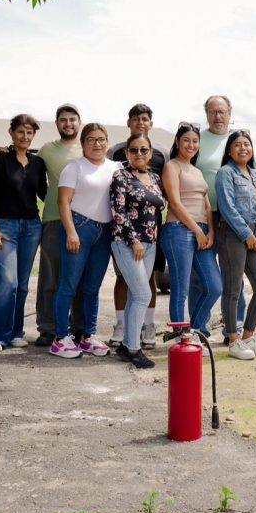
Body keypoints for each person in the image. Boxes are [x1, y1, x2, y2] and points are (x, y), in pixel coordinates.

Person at [50, 123, 121, 358]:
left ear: (107, 142)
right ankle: (60, 338)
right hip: (79, 228)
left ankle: (88, 336)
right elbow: (63, 202)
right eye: (90, 139)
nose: (96, 144)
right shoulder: (74, 167)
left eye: (101, 139)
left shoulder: (115, 167)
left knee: (92, 287)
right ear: (82, 143)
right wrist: (71, 232)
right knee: (68, 285)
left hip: (105, 231)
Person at [106, 103, 168, 349]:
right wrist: (133, 240)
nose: (139, 153)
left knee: (141, 291)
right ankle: (130, 343)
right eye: (134, 150)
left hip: (151, 240)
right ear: (127, 152)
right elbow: (118, 211)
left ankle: (133, 341)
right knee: (140, 292)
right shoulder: (120, 173)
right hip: (128, 241)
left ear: (150, 153)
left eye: (144, 150)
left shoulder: (155, 176)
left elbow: (162, 202)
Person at [0, 114, 47, 353]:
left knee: (21, 285)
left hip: (31, 227)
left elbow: (44, 194)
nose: (25, 136)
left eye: (29, 133)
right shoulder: (0, 159)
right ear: (11, 132)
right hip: (4, 226)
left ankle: (16, 332)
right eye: (21, 131)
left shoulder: (38, 163)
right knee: (7, 282)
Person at [160, 123, 223, 338]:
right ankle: (180, 335)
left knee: (214, 286)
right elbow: (175, 203)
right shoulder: (172, 167)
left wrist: (210, 231)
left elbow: (207, 206)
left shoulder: (197, 171)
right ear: (177, 141)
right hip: (178, 231)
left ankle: (194, 329)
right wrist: (197, 230)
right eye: (186, 140)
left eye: (195, 141)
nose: (191, 145)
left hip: (202, 232)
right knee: (181, 288)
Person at [215, 130, 256, 360]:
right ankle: (233, 340)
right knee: (233, 289)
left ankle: (247, 336)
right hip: (232, 234)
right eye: (237, 144)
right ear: (229, 150)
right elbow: (227, 207)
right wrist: (246, 234)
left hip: (254, 235)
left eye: (246, 144)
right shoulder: (225, 172)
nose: (243, 148)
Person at [193, 95, 246, 340]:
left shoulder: (238, 141)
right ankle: (199, 328)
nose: (217, 116)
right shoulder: (197, 139)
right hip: (202, 216)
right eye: (213, 111)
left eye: (222, 111)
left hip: (232, 217)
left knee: (234, 275)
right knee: (200, 277)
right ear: (206, 114)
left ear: (229, 113)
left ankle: (234, 328)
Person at [34, 104, 85, 346]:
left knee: (78, 278)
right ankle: (48, 328)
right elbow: (35, 179)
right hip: (54, 219)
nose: (68, 124)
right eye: (63, 120)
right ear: (56, 123)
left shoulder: (87, 147)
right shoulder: (46, 150)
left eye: (72, 119)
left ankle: (77, 327)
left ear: (79, 122)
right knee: (50, 277)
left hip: (83, 220)